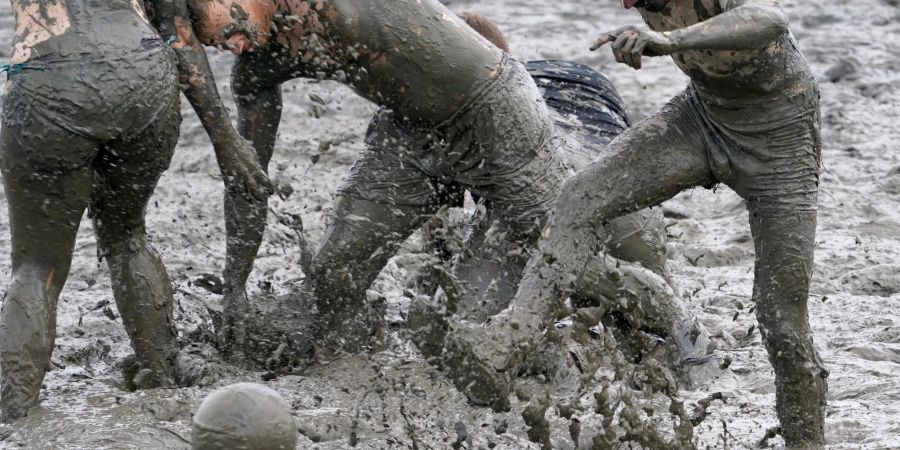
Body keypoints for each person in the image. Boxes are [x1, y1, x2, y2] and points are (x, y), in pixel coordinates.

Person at [188, 0, 706, 373]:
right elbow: (246, 181)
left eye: (219, 19)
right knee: (334, 269)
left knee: (555, 255)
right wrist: (235, 287)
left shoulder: (333, 9)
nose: (224, 42)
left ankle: (677, 322)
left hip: (491, 109)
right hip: (409, 129)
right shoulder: (255, 67)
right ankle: (335, 357)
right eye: (207, 39)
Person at [445, 0, 827, 446]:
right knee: (579, 196)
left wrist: (668, 40)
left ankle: (808, 442)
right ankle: (512, 337)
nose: (629, 4)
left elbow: (769, 20)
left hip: (783, 138)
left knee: (782, 320)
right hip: (703, 117)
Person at [0, 0, 270, 421]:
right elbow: (179, 34)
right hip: (144, 79)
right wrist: (226, 140)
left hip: (51, 80)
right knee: (128, 237)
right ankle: (162, 379)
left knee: (37, 267)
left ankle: (12, 415)